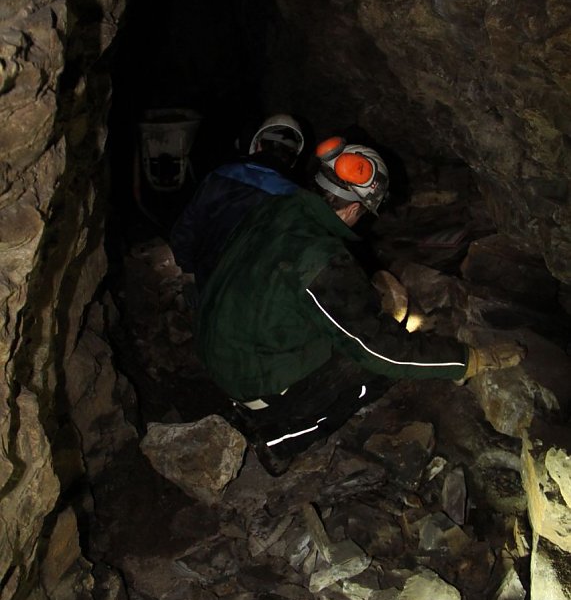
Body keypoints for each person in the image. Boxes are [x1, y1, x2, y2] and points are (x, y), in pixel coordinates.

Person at [196, 136, 526, 475]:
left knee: (346, 327)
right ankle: (281, 439)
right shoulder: (320, 258)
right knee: (374, 367)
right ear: (354, 209)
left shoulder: (275, 210)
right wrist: (467, 360)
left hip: (220, 353)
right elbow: (382, 351)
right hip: (251, 378)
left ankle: (253, 404)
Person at [170, 114, 304, 295]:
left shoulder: (220, 176)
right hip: (252, 296)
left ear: (257, 145)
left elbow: (186, 228)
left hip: (208, 283)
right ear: (293, 159)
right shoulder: (297, 199)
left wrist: (188, 271)